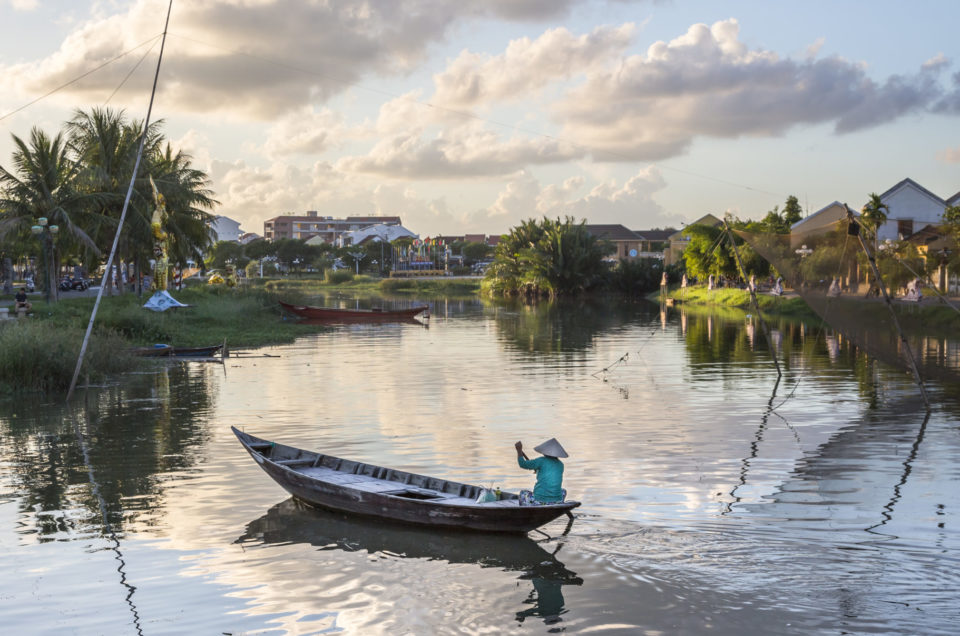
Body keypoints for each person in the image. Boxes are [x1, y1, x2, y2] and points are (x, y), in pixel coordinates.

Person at [515, 438, 568, 505]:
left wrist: (519, 450)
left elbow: (523, 464)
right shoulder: (561, 464)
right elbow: (550, 473)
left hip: (540, 500)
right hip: (558, 500)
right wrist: (538, 471)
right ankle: (556, 503)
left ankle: (529, 508)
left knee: (523, 493)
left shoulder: (541, 461)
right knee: (563, 491)